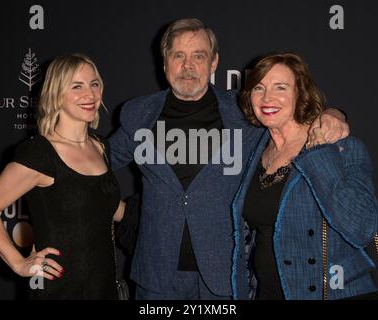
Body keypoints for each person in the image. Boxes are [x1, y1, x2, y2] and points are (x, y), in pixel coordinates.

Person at [109, 18, 348, 299]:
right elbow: (96, 162)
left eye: (199, 56)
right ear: (164, 63)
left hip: (224, 276)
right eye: (178, 56)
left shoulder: (244, 112)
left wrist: (334, 115)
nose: (188, 66)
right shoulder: (139, 114)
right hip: (157, 277)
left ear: (214, 63)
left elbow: (295, 118)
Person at [0, 53, 125, 299]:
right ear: (56, 93)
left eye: (94, 84)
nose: (90, 94)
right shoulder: (40, 152)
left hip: (103, 287)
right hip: (60, 289)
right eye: (77, 86)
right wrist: (19, 263)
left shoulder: (100, 147)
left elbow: (103, 203)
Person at [231, 52, 378, 300]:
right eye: (259, 87)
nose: (267, 98)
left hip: (329, 293)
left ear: (300, 93)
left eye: (281, 87)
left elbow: (362, 227)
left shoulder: (341, 148)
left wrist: (318, 152)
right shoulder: (254, 147)